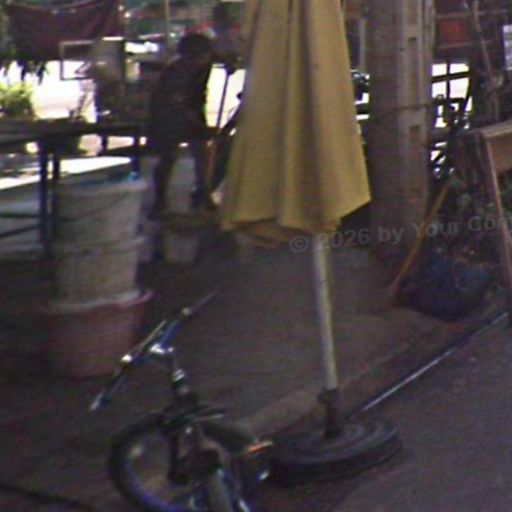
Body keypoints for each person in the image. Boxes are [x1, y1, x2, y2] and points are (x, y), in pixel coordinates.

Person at [148, 33, 215, 215]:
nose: (202, 60)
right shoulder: (175, 73)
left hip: (193, 109)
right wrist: (194, 119)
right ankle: (159, 200)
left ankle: (203, 192)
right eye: (198, 57)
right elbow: (175, 102)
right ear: (187, 56)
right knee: (168, 156)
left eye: (205, 56)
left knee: (202, 154)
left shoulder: (203, 66)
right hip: (168, 115)